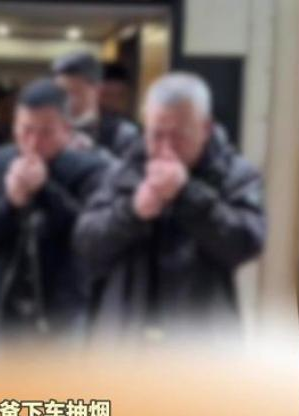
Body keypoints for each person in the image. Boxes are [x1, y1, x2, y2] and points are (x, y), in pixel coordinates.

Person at [74, 73, 266, 333]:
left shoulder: (236, 173)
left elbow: (246, 243)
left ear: (205, 128)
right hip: (125, 335)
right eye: (156, 135)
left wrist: (187, 194)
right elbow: (86, 242)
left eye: (179, 136)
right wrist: (132, 212)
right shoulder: (122, 170)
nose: (166, 148)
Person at [0, 78, 110, 334]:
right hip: (3, 309)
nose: (32, 142)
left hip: (63, 312)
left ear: (66, 130)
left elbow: (90, 236)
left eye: (45, 133)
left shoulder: (91, 169)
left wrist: (45, 189)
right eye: (25, 130)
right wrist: (10, 202)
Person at [52, 51, 139, 157]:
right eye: (62, 93)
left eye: (76, 93)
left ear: (97, 90)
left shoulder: (122, 133)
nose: (68, 101)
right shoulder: (47, 131)